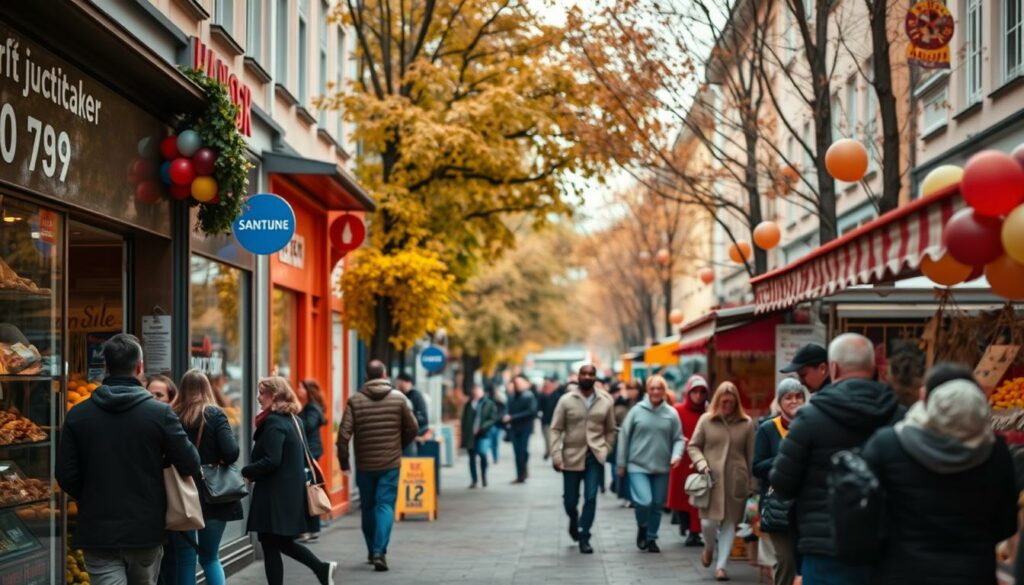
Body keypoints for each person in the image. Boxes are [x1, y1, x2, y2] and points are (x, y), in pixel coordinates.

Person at [56, 334, 201, 585]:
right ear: (140, 367)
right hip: (145, 529)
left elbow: (66, 474)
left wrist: (92, 494)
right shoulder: (160, 414)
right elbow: (190, 463)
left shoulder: (78, 415)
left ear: (105, 367)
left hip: (98, 529)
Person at [862, 370, 1017, 584]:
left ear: (925, 398)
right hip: (973, 574)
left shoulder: (887, 445)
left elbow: (865, 520)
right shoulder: (995, 451)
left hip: (902, 573)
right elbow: (1006, 524)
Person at [770, 333, 901, 585]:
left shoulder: (809, 419)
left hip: (825, 547)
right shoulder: (899, 415)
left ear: (833, 368)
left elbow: (783, 483)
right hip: (884, 545)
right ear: (873, 368)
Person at [242, 377, 337, 585]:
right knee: (276, 542)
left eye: (262, 393)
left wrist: (246, 471)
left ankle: (321, 568)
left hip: (274, 494)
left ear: (274, 395)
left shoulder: (274, 422)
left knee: (273, 543)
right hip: (287, 492)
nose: (258, 397)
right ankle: (321, 568)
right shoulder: (294, 419)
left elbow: (272, 460)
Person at [336, 360, 418, 572]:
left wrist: (344, 462)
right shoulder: (399, 398)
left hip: (365, 465)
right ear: (384, 373)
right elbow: (412, 427)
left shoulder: (355, 400)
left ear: (366, 376)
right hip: (390, 463)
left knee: (369, 507)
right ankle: (380, 551)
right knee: (385, 506)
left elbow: (343, 435)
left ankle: (372, 551)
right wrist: (399, 446)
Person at [171, 370, 243, 585]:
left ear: (182, 389)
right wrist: (218, 460)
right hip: (213, 495)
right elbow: (231, 452)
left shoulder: (171, 415)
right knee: (210, 557)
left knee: (185, 557)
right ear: (207, 389)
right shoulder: (215, 414)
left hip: (180, 493)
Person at [687, 381, 755, 582]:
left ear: (736, 402)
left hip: (736, 480)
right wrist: (701, 464)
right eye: (724, 402)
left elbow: (751, 455)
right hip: (711, 480)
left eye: (731, 402)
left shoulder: (747, 423)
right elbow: (693, 446)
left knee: (729, 524)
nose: (727, 405)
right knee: (707, 523)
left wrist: (752, 484)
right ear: (718, 400)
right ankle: (709, 547)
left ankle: (721, 567)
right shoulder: (706, 420)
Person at [548, 364, 618, 554]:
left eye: (591, 374)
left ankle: (584, 534)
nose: (587, 377)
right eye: (584, 373)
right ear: (578, 376)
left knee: (591, 497)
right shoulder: (566, 400)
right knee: (570, 501)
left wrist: (606, 449)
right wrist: (555, 454)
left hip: (594, 456)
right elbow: (555, 429)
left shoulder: (606, 400)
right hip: (571, 456)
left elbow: (611, 429)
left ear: (595, 378)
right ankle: (574, 518)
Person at [616, 375, 684, 554]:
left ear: (664, 391)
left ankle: (652, 537)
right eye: (652, 388)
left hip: (662, 466)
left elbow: (678, 438)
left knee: (657, 504)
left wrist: (676, 455)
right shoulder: (637, 411)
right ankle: (642, 526)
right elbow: (624, 436)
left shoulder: (671, 413)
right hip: (637, 465)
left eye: (659, 388)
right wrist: (621, 463)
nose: (655, 392)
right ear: (647, 390)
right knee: (644, 501)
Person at [752, 378, 809, 585]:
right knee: (786, 560)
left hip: (805, 504)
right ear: (780, 401)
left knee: (804, 563)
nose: (794, 401)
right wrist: (786, 458)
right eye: (788, 397)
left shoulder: (810, 426)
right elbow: (757, 467)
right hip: (777, 505)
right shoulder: (768, 428)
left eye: (798, 396)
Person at [667, 375, 709, 546]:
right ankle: (686, 524)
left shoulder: (708, 413)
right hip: (682, 459)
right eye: (695, 391)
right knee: (682, 495)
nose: (698, 396)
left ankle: (694, 531)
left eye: (702, 392)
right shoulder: (677, 410)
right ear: (688, 392)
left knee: (699, 496)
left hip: (702, 460)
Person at [297, 379, 328, 541]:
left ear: (308, 391)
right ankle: (312, 528)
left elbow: (308, 426)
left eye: (300, 387)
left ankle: (310, 528)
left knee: (309, 489)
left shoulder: (312, 409)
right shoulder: (308, 408)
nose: (297, 389)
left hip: (310, 453)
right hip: (309, 452)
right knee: (309, 488)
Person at [460, 384, 498, 488]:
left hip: (483, 434)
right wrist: (464, 433)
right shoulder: (469, 404)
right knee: (471, 457)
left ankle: (484, 477)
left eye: (478, 389)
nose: (475, 392)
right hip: (470, 435)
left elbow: (492, 418)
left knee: (482, 454)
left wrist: (483, 427)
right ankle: (474, 480)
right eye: (474, 390)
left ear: (482, 391)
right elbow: (464, 420)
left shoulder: (488, 404)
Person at [503, 375, 538, 484]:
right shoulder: (511, 396)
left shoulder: (529, 396)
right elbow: (507, 410)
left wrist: (512, 417)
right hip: (514, 428)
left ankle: (521, 474)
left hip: (525, 428)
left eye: (519, 383)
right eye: (515, 383)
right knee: (517, 452)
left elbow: (532, 412)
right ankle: (520, 474)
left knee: (522, 452)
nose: (517, 385)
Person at [396, 372, 429, 456]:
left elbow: (423, 418)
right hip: (406, 434)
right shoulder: (401, 395)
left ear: (406, 382)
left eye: (399, 383)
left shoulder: (416, 396)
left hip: (414, 433)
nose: (397, 385)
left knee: (409, 456)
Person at [540, 378, 565, 461]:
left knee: (554, 439)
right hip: (546, 421)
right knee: (547, 439)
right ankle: (549, 452)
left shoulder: (557, 395)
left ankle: (552, 453)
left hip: (555, 421)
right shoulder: (543, 395)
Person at [488, 384, 506, 463]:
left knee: (495, 441)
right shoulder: (489, 401)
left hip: (497, 424)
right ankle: (495, 456)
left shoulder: (500, 402)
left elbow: (503, 412)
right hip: (493, 424)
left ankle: (495, 457)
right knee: (493, 441)